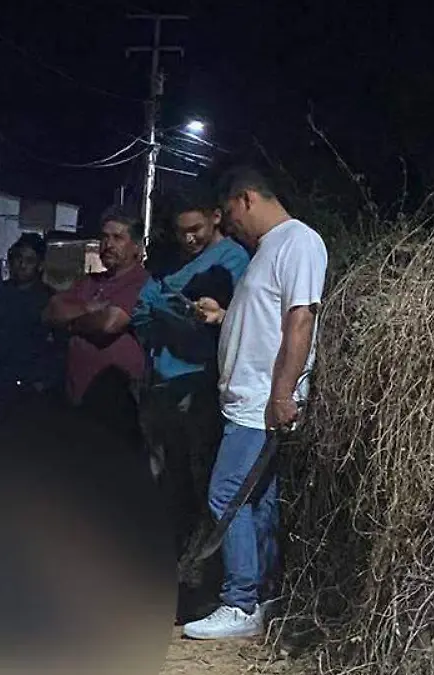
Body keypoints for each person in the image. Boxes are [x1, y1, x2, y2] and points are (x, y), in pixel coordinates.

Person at [182, 167, 327, 640]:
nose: (231, 226)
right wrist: (224, 316)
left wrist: (283, 393)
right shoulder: (268, 249)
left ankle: (239, 602)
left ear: (246, 198)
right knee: (257, 500)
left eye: (229, 214)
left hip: (261, 403)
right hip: (248, 400)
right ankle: (263, 596)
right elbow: (268, 318)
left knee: (226, 495)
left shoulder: (298, 241)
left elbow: (301, 320)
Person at [131, 191, 250, 620]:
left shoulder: (233, 259)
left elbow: (231, 319)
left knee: (207, 489)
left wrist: (175, 313)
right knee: (168, 487)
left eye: (195, 230)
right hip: (162, 388)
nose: (189, 239)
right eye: (181, 232)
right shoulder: (169, 263)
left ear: (216, 217)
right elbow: (142, 312)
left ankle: (210, 585)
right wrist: (172, 314)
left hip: (200, 390)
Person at [43, 207, 149, 438]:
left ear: (136, 247)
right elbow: (51, 311)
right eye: (105, 237)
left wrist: (70, 322)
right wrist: (88, 308)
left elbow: (108, 324)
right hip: (77, 399)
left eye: (118, 238)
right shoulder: (89, 281)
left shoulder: (140, 282)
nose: (108, 244)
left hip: (117, 403)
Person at [0, 233, 58, 422]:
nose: (22, 264)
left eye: (30, 260)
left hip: (33, 385)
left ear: (40, 265)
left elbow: (59, 345)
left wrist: (44, 382)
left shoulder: (50, 298)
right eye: (18, 258)